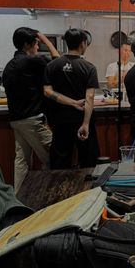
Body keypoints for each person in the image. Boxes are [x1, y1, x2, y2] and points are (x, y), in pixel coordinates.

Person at [2, 27, 59, 191]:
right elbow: (58, 63)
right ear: (28, 45)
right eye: (36, 43)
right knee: (54, 157)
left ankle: (19, 197)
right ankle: (49, 195)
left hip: (16, 120)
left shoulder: (9, 65)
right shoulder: (33, 61)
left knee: (22, 161)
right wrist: (46, 40)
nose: (38, 47)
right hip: (32, 120)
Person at [44, 28, 100, 169]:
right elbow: (90, 97)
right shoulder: (89, 67)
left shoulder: (52, 65)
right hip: (82, 118)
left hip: (60, 119)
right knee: (88, 161)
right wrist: (85, 124)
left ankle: (60, 184)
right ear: (83, 44)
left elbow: (47, 92)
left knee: (60, 161)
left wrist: (71, 102)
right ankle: (87, 184)